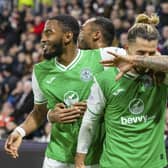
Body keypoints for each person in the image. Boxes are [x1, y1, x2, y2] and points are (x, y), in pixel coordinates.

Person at [4, 15, 125, 168]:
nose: (43, 39)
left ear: (68, 36)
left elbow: (145, 60)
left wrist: (100, 106)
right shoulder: (40, 71)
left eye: (49, 33)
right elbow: (39, 112)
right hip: (55, 158)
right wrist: (20, 131)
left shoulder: (102, 56)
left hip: (94, 159)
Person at [75, 13, 168, 168]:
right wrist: (80, 158)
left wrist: (136, 59)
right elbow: (90, 121)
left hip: (154, 164)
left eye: (151, 53)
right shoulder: (105, 79)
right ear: (126, 48)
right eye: (140, 53)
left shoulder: (161, 75)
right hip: (115, 164)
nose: (146, 58)